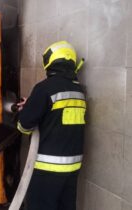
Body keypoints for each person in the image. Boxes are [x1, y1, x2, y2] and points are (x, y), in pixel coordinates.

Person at [16, 41, 86, 210]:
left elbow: (24, 126)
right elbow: (58, 116)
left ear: (50, 62)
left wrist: (26, 110)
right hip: (72, 167)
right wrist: (34, 104)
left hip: (48, 168)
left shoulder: (44, 88)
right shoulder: (79, 91)